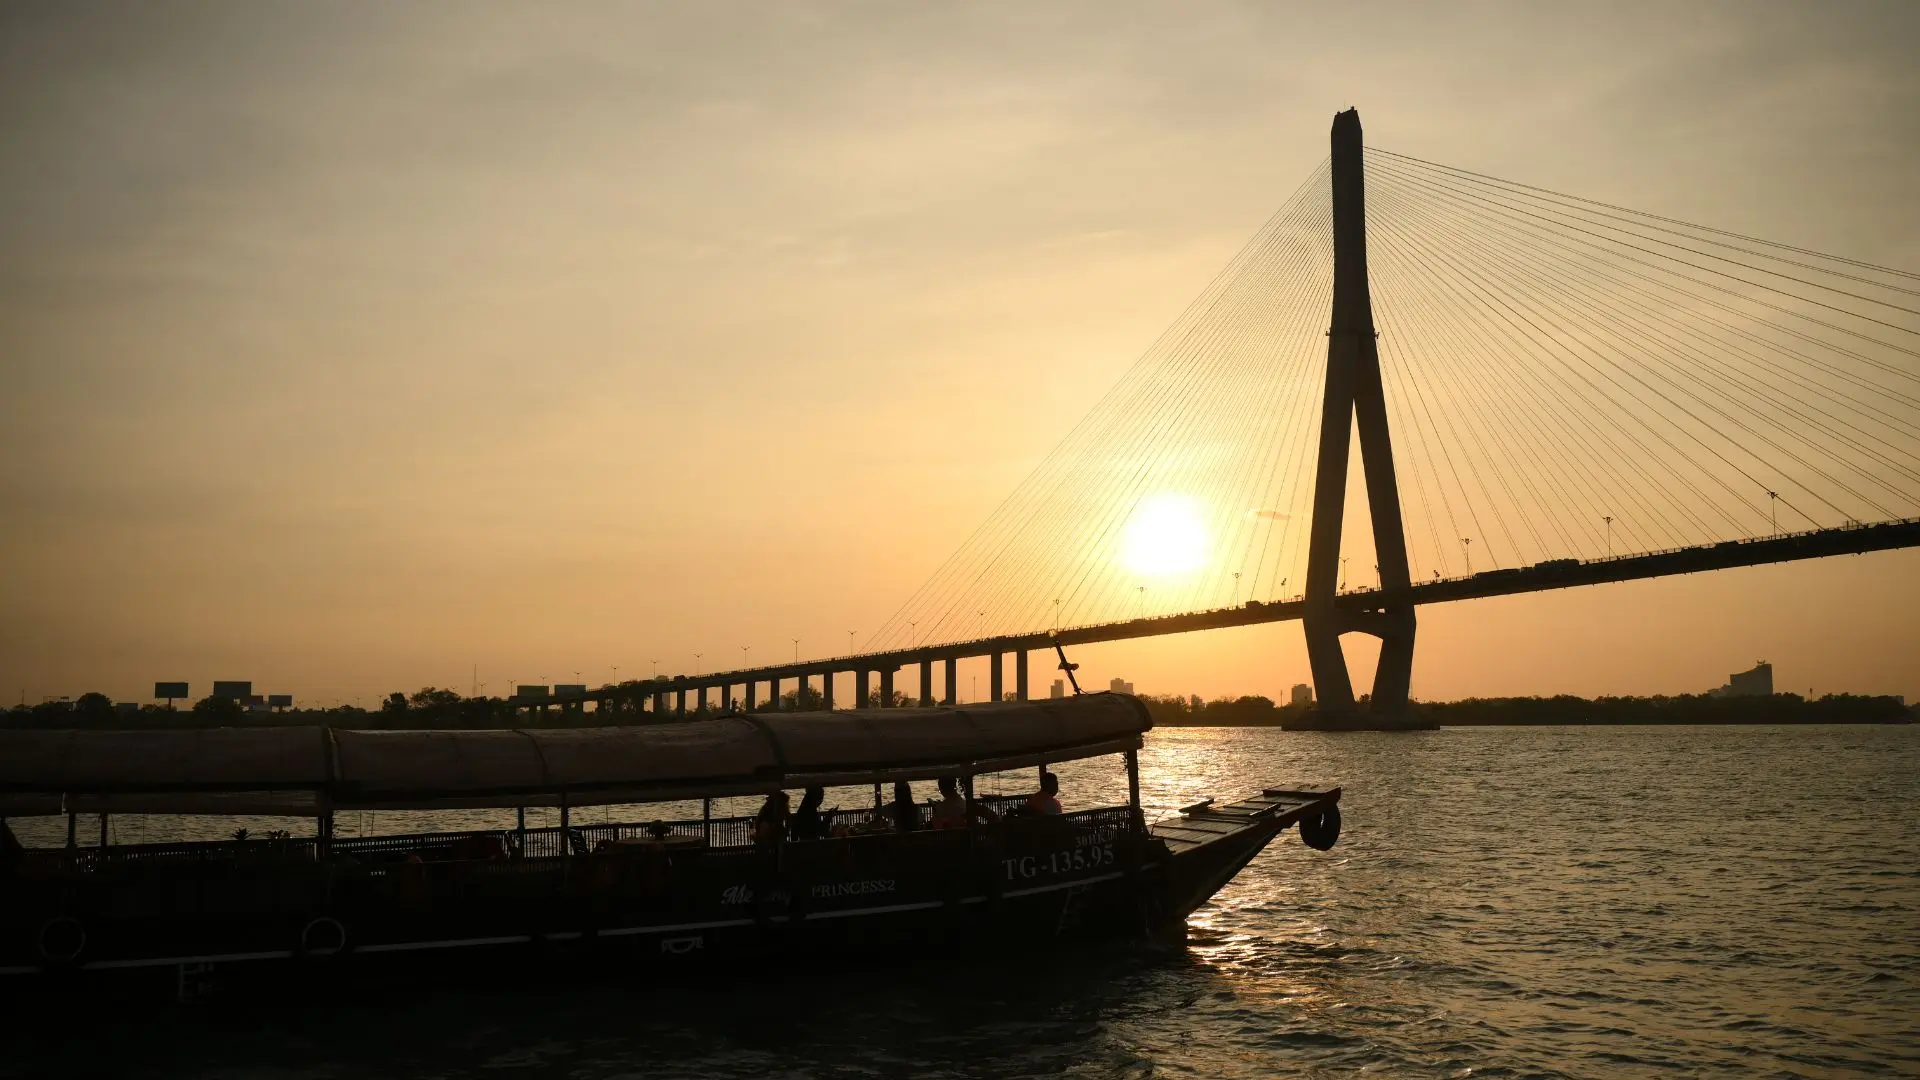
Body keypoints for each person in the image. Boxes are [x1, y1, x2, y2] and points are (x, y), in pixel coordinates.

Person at [930, 776, 997, 829]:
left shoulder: (941, 808)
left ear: (942, 790)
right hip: (966, 839)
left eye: (940, 791)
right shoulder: (964, 803)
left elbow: (936, 825)